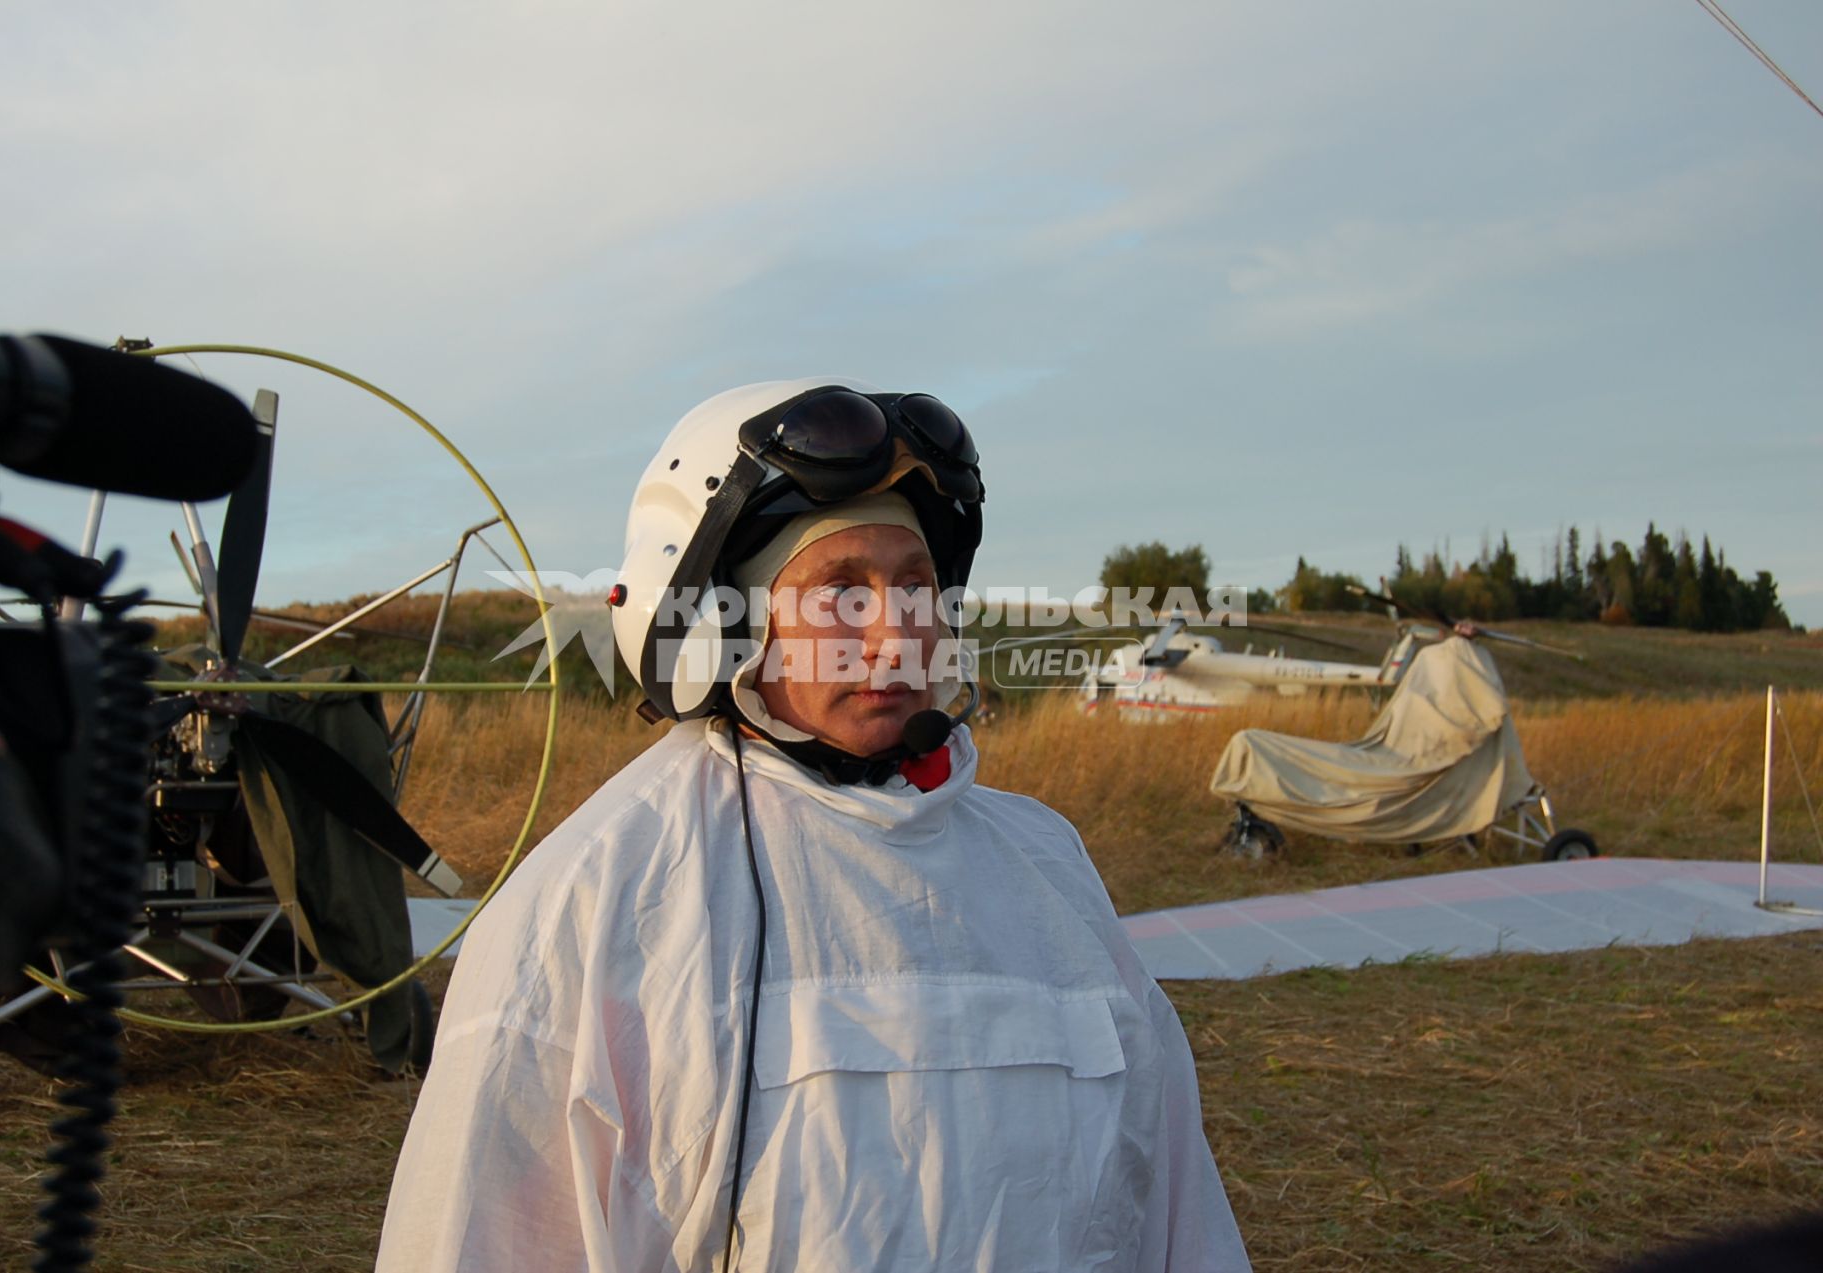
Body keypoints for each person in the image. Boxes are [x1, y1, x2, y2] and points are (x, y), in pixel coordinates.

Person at [377, 380, 1250, 1271]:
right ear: (725, 622)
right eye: (842, 591)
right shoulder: (598, 895)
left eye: (916, 586)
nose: (894, 636)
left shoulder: (1047, 865)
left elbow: (1175, 1208)